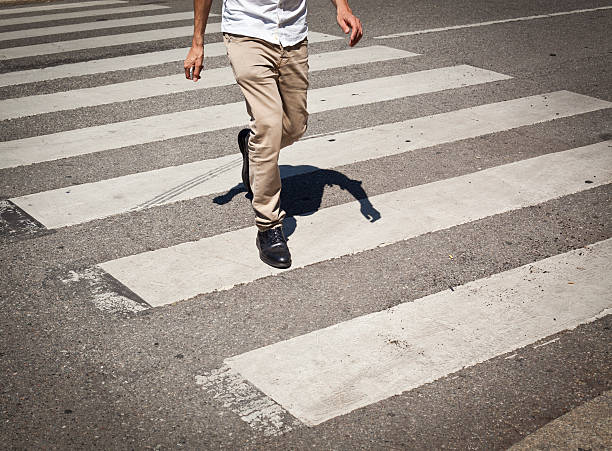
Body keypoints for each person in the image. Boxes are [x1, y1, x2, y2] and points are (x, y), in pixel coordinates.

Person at [184, 0, 363, 269]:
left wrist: (342, 7)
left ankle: (252, 148)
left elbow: (341, 179)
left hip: (293, 35)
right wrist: (198, 42)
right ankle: (268, 227)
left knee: (294, 127)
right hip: (247, 32)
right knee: (268, 126)